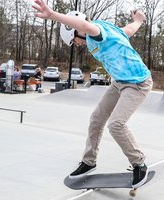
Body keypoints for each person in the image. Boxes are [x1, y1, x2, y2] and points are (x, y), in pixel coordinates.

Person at [32, 0, 153, 188]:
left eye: (74, 41)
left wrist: (53, 15)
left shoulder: (95, 32)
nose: (77, 45)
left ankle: (139, 163)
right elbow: (129, 30)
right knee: (96, 118)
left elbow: (84, 25)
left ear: (76, 31)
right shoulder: (111, 31)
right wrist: (138, 20)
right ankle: (89, 162)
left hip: (138, 84)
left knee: (116, 125)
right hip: (118, 83)